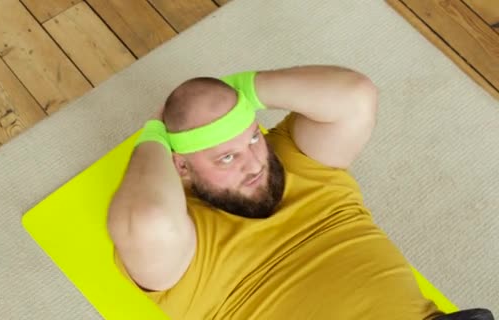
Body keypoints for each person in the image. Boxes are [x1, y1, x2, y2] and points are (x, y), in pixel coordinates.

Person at [107, 65, 494, 320]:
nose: (255, 163)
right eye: (226, 158)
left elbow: (355, 96)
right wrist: (155, 133)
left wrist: (241, 91)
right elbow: (147, 218)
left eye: (253, 137)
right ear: (182, 167)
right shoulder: (184, 244)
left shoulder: (293, 155)